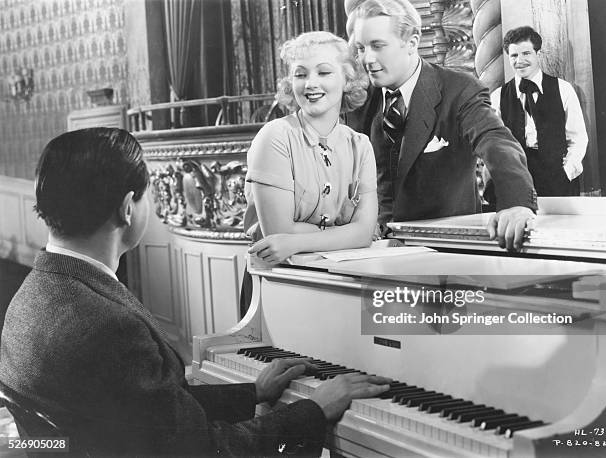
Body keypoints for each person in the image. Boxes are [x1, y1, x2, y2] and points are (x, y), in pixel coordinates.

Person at [0, 128, 390, 456]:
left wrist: (252, 392)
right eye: (147, 194)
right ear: (128, 209)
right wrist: (313, 411)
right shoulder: (108, 326)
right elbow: (204, 449)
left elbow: (140, 412)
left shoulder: (31, 295)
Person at [345, 0, 538, 251]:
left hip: (445, 249)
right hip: (371, 253)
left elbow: (495, 141)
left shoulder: (458, 89)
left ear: (412, 42)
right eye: (360, 48)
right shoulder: (358, 100)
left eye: (377, 46)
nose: (367, 59)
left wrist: (517, 203)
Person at [244, 31, 378, 263]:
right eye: (300, 74)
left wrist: (296, 240)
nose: (310, 84)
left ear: (347, 80)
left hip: (341, 275)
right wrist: (345, 234)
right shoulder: (275, 137)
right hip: (277, 278)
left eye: (324, 72)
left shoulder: (361, 146)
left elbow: (364, 233)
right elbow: (277, 233)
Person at [490, 26, 588, 197]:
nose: (519, 60)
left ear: (538, 54)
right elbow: (494, 143)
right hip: (517, 181)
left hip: (558, 181)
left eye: (526, 53)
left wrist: (566, 172)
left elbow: (578, 138)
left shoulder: (563, 89)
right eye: (514, 55)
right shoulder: (498, 96)